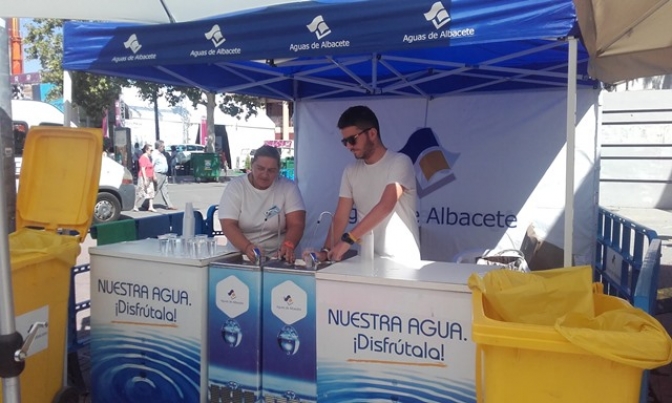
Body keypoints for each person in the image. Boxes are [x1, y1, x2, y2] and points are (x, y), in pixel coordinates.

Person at [319, 105, 420, 262]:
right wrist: (325, 250)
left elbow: (386, 205)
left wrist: (348, 240)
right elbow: (340, 217)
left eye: (352, 140)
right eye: (344, 142)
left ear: (372, 133)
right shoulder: (350, 170)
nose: (349, 146)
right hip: (367, 259)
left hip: (402, 261)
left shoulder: (400, 162)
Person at [218, 145, 306, 263]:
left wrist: (288, 245)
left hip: (278, 256)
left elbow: (296, 224)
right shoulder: (235, 187)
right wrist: (247, 247)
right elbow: (228, 225)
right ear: (251, 166)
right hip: (241, 254)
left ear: (278, 170)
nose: (265, 175)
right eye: (260, 168)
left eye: (271, 170)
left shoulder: (288, 187)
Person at [151, 140, 176, 210]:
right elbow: (151, 165)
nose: (164, 148)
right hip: (158, 174)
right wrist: (153, 175)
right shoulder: (155, 154)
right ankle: (146, 204)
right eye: (163, 146)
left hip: (164, 174)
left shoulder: (161, 153)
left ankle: (169, 205)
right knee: (155, 190)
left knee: (165, 190)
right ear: (159, 146)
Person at [133, 144, 157, 212]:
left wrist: (153, 175)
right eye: (150, 150)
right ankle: (135, 205)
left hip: (150, 177)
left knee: (151, 191)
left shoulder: (149, 157)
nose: (151, 152)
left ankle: (151, 207)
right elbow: (143, 169)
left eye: (152, 150)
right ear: (146, 150)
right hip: (144, 177)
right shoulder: (143, 158)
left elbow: (151, 167)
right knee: (141, 192)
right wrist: (145, 179)